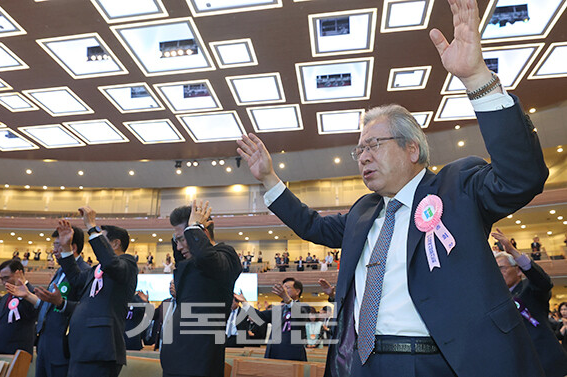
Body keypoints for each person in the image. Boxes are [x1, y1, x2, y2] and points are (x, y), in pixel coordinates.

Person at [236, 0, 548, 374]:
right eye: (359, 150)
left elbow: (521, 177)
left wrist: (477, 78)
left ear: (411, 148)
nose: (363, 156)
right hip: (364, 362)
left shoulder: (456, 186)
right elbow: (312, 226)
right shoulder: (363, 212)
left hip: (441, 362)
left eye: (373, 146)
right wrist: (269, 179)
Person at [161, 201, 241, 377]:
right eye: (177, 241)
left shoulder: (226, 254)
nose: (179, 247)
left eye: (182, 239)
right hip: (175, 357)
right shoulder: (191, 263)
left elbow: (206, 258)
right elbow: (188, 258)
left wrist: (193, 228)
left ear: (201, 232)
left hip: (201, 358)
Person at [56, 207, 138, 377]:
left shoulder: (127, 264)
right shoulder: (95, 270)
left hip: (102, 346)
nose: (96, 242)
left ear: (115, 244)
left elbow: (110, 263)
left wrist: (92, 227)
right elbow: (76, 278)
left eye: (102, 237)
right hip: (81, 346)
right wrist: (66, 248)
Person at [9, 225, 90, 377]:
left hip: (63, 347)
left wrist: (60, 303)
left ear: (72, 247)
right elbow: (49, 306)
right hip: (45, 343)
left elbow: (85, 309)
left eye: (58, 245)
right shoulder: (60, 271)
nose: (54, 250)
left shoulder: (84, 272)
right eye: (54, 245)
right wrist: (27, 295)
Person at [493, 229, 567, 376]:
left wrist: (514, 252)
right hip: (517, 366)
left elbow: (544, 283)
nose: (498, 273)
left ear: (518, 271)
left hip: (546, 362)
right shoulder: (495, 297)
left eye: (501, 268)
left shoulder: (530, 288)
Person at [237, 278, 310, 361]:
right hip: (273, 352)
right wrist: (244, 303)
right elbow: (259, 316)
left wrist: (286, 298)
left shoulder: (304, 307)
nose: (284, 289)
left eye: (287, 287)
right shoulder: (278, 309)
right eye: (283, 287)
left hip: (292, 354)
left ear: (297, 291)